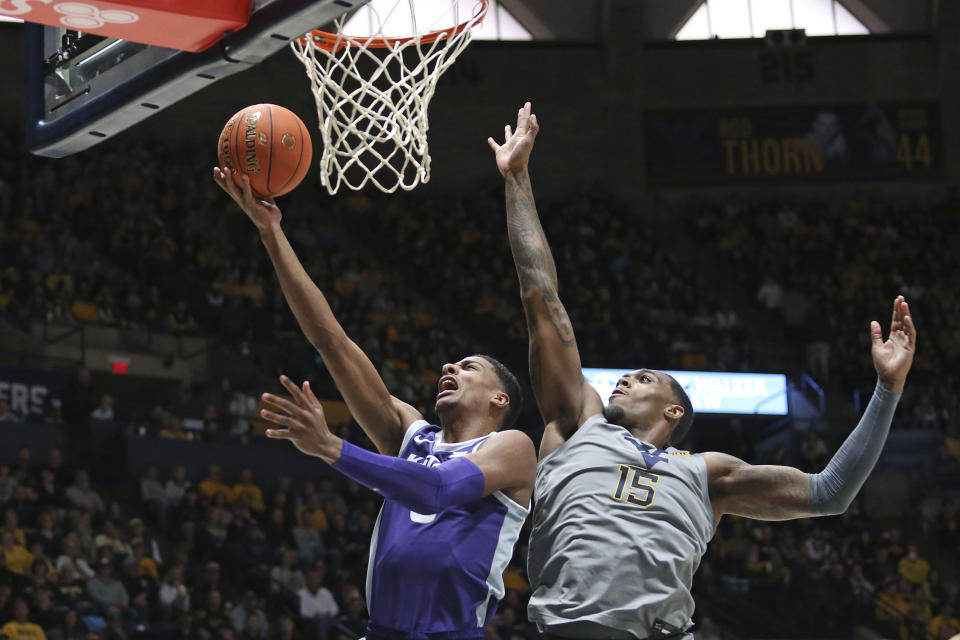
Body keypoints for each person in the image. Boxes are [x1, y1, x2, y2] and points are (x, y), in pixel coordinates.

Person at [489, 102, 917, 639]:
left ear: (674, 409)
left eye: (644, 378)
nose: (624, 379)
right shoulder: (578, 425)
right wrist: (518, 181)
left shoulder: (708, 475)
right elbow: (539, 294)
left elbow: (830, 492)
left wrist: (886, 390)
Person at [213, 166, 537, 639]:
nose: (449, 368)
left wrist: (332, 448)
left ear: (499, 397)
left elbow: (436, 490)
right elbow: (332, 341)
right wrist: (271, 233)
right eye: (451, 365)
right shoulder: (408, 433)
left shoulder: (512, 447)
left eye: (468, 367)